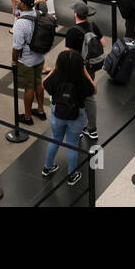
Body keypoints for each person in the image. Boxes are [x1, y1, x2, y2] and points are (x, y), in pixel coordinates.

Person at [39, 49, 95, 188]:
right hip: (76, 116)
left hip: (57, 113)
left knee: (55, 139)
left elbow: (44, 83)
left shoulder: (57, 76)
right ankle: (72, 175)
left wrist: (54, 70)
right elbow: (93, 89)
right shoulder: (80, 78)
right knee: (72, 144)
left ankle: (47, 167)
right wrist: (84, 71)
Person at [64, 2, 105, 141]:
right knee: (89, 95)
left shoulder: (72, 31)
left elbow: (67, 53)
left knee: (76, 96)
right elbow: (103, 43)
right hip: (91, 67)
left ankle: (78, 127)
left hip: (77, 68)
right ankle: (92, 129)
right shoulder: (93, 26)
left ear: (75, 14)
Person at [11, 0, 47, 124]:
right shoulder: (39, 14)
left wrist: (14, 62)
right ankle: (41, 110)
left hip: (26, 60)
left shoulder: (20, 24)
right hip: (40, 57)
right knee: (38, 83)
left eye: (19, 1)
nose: (17, 2)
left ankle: (27, 117)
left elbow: (17, 48)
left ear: (24, 5)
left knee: (29, 87)